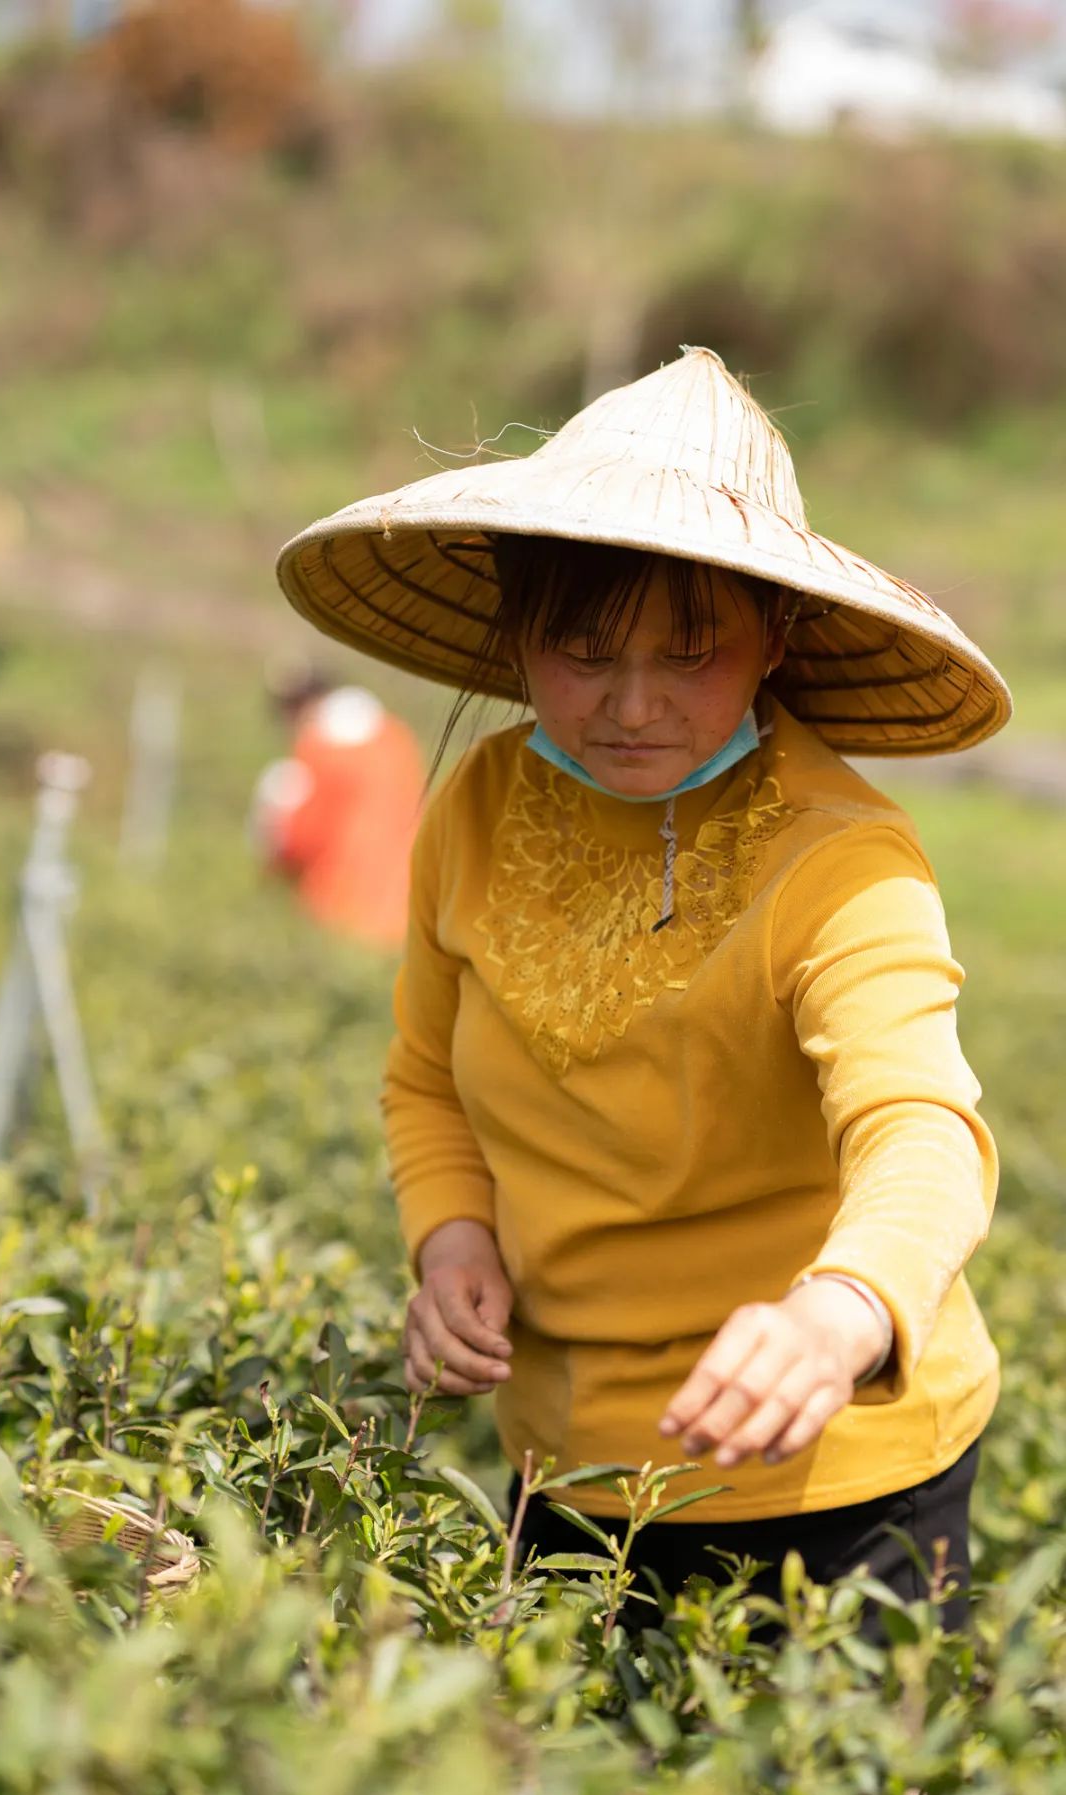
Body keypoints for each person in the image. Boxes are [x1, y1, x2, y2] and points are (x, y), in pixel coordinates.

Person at [276, 347, 1012, 1634]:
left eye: (690, 654)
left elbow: (921, 1132)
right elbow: (426, 1075)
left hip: (834, 1480)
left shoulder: (840, 855)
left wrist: (837, 1317)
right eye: (581, 650)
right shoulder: (479, 803)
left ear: (773, 637)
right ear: (519, 634)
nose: (631, 706)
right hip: (567, 1469)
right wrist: (450, 1237)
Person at [252, 658, 424, 950]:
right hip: (404, 918)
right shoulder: (395, 737)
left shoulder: (317, 751)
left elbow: (297, 840)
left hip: (339, 914)